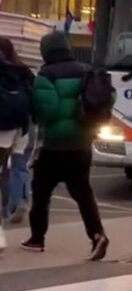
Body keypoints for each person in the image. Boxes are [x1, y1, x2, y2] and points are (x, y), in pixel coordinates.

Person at [23, 31, 111, 260]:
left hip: (55, 146)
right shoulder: (87, 70)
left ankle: (37, 239)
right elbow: (107, 98)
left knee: (41, 193)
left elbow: (48, 111)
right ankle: (97, 234)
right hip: (82, 143)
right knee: (83, 193)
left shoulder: (46, 75)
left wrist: (38, 115)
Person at [0, 37, 34, 227]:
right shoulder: (23, 69)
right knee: (20, 166)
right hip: (24, 125)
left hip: (4, 126)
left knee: (4, 169)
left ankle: (7, 210)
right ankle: (20, 201)